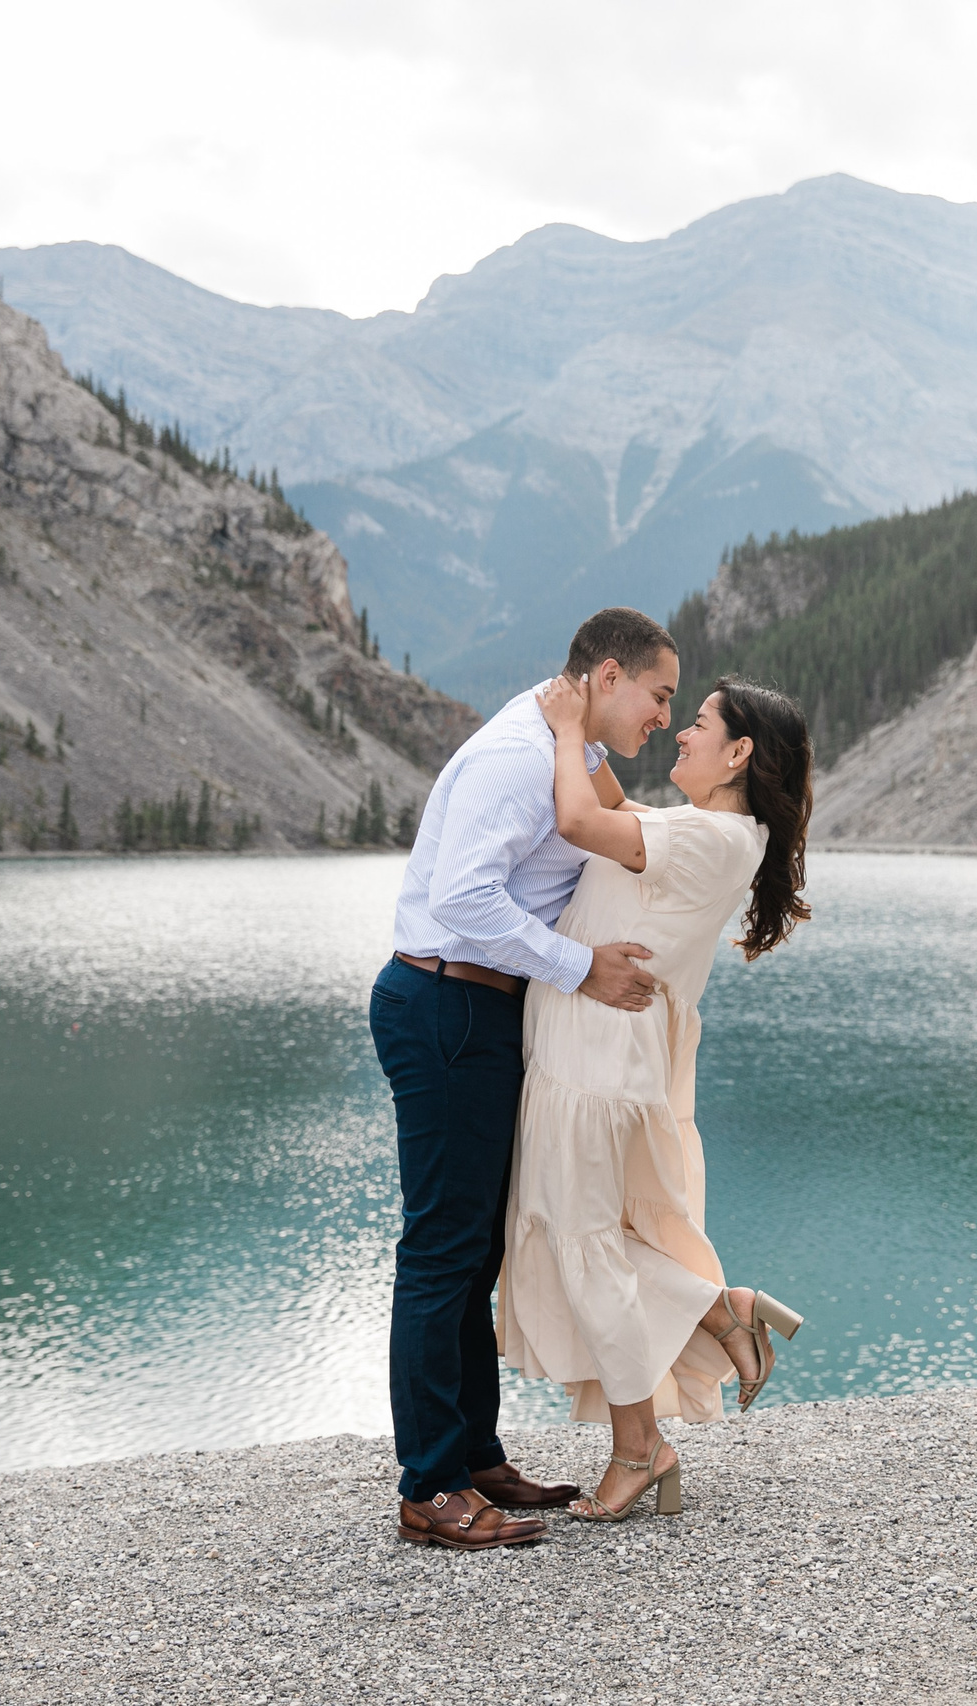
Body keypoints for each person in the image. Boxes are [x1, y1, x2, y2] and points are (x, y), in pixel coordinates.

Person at [371, 607, 684, 1550]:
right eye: (659, 694)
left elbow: (612, 821)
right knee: (441, 1250)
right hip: (445, 1004)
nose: (664, 717)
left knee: (474, 1248)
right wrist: (582, 968)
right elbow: (464, 898)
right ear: (607, 675)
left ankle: (472, 1456)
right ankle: (429, 1486)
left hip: (477, 1007)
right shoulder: (522, 756)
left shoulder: (568, 745)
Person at [498, 672, 815, 1522]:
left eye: (698, 723)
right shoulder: (706, 829)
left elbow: (578, 820)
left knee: (586, 1247)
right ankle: (723, 1310)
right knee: (580, 1240)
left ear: (739, 753)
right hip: (584, 1056)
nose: (679, 732)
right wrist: (594, 732)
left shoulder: (711, 839)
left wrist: (566, 729)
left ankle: (642, 1448)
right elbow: (613, 809)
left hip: (596, 1067)